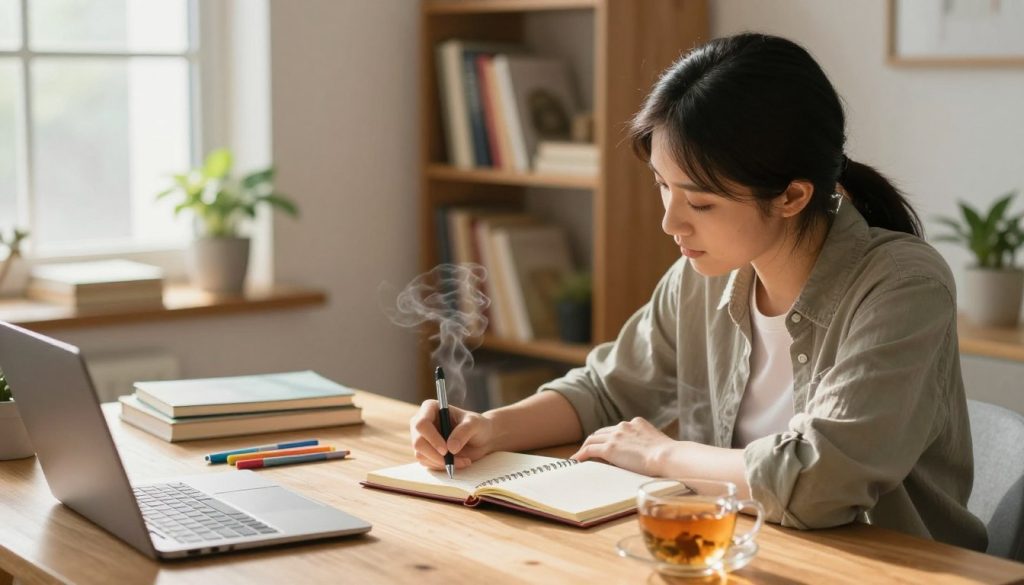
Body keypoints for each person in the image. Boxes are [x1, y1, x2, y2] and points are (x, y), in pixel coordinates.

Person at [409, 33, 987, 551]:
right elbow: (606, 391)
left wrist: (659, 455)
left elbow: (819, 480)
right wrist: (487, 428)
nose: (671, 223)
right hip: (744, 552)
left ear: (792, 196)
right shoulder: (703, 275)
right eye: (663, 186)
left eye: (701, 202)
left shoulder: (902, 286)